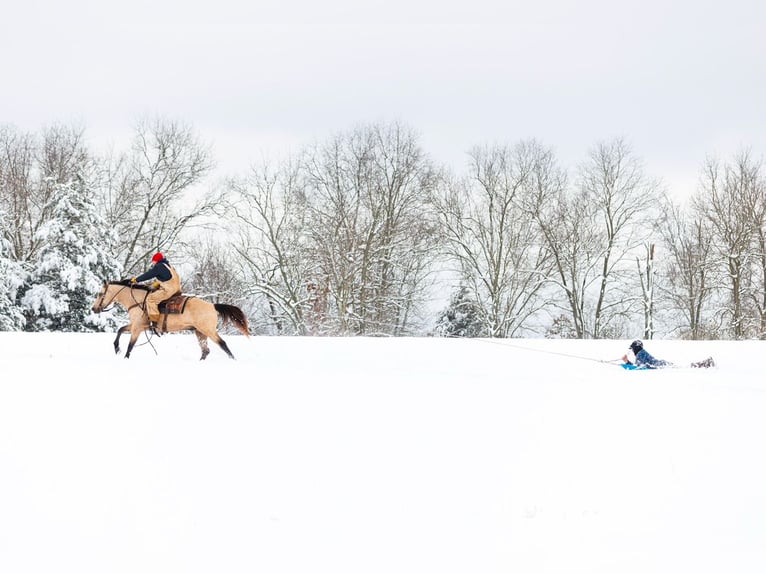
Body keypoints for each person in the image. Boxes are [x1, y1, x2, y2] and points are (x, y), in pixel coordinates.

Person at [130, 252, 182, 330]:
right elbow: (167, 277)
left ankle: (155, 322)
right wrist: (157, 283)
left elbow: (148, 275)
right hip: (177, 289)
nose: (153, 263)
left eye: (153, 261)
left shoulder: (159, 266)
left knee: (150, 299)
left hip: (169, 291)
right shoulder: (168, 266)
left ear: (157, 260)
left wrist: (136, 280)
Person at [622, 339, 715, 369]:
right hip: (662, 364)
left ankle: (706, 363)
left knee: (684, 368)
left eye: (632, 349)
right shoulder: (641, 353)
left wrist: (627, 362)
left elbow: (639, 368)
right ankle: (705, 363)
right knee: (683, 367)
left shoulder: (640, 354)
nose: (632, 352)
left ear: (635, 348)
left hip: (661, 365)